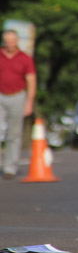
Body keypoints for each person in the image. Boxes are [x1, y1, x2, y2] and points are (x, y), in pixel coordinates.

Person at [0, 29, 36, 179]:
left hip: (18, 96)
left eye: (12, 41)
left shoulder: (25, 58)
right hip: (1, 96)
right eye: (7, 41)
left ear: (17, 41)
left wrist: (29, 102)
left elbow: (31, 81)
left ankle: (10, 168)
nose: (10, 44)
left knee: (14, 134)